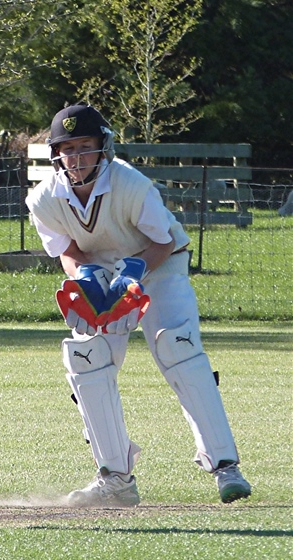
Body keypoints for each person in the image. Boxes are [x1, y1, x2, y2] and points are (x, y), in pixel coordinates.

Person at [25, 103, 252, 507]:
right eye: (67, 149)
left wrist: (132, 273)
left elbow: (163, 240)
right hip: (99, 272)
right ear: (55, 154)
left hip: (158, 265)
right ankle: (116, 479)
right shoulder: (44, 199)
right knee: (87, 358)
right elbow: (68, 249)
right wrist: (85, 276)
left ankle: (224, 466)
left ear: (103, 147)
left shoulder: (130, 184)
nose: (76, 158)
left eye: (85, 146)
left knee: (177, 347)